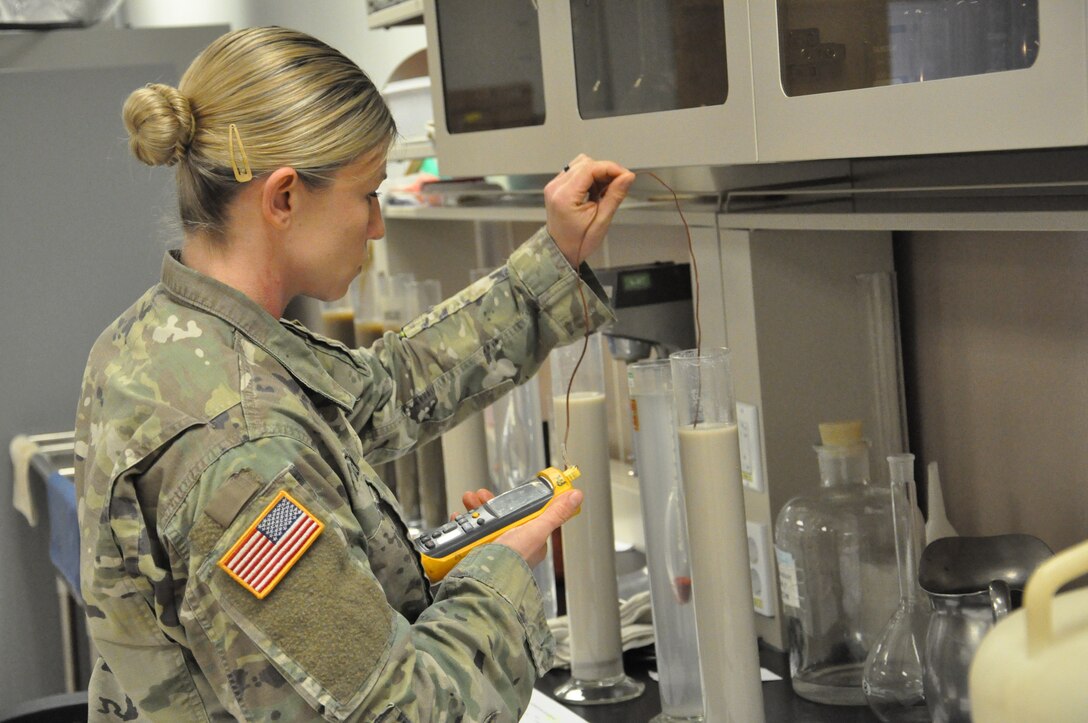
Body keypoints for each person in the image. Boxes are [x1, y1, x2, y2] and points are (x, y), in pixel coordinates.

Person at [75, 25, 634, 723]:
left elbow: (380, 392)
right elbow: (402, 712)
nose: (376, 226)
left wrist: (549, 267)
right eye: (367, 194)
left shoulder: (161, 337)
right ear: (283, 198)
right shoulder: (240, 453)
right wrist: (502, 573)